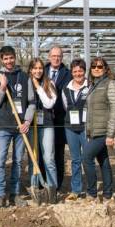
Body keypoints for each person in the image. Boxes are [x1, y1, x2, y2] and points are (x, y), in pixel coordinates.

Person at [0, 46, 35, 210]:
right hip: (3, 127)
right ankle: (0, 196)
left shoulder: (24, 77)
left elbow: (31, 102)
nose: (9, 61)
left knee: (17, 162)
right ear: (2, 60)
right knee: (0, 161)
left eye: (11, 58)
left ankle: (15, 194)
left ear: (15, 58)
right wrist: (2, 87)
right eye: (5, 58)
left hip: (20, 127)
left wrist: (27, 121)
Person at [85, 57, 115, 203]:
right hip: (94, 131)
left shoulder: (110, 84)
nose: (96, 69)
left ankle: (92, 194)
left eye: (100, 67)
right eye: (94, 67)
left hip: (103, 131)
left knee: (86, 158)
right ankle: (108, 195)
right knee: (104, 161)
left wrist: (111, 134)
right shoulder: (94, 85)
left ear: (106, 68)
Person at [27, 58, 58, 204]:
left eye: (40, 68)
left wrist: (38, 87)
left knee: (48, 159)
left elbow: (49, 103)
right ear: (30, 70)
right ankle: (35, 188)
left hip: (46, 125)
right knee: (34, 159)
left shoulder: (49, 83)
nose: (38, 71)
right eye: (35, 68)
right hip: (30, 125)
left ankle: (52, 188)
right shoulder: (26, 83)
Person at [61, 59, 89, 201]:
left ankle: (91, 190)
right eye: (75, 71)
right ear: (71, 73)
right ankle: (76, 190)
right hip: (71, 128)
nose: (78, 74)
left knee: (88, 158)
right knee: (75, 159)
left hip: (86, 127)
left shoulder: (90, 86)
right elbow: (66, 106)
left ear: (84, 71)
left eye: (80, 71)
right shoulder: (66, 89)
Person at [44, 46, 71, 191]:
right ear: (49, 57)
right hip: (44, 117)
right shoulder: (41, 70)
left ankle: (58, 184)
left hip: (60, 118)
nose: (56, 58)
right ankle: (44, 182)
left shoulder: (68, 74)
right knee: (45, 152)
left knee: (59, 152)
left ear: (62, 57)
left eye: (59, 56)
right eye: (53, 56)